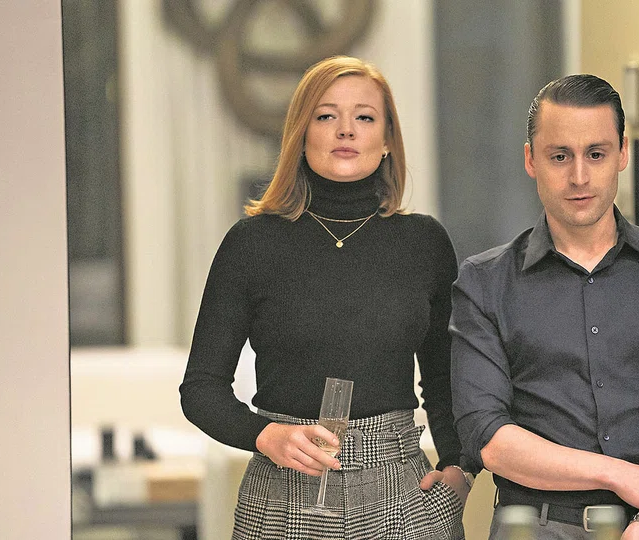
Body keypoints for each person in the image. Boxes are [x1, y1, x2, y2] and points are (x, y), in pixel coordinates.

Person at [180, 55, 473, 540]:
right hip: (283, 490)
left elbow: (445, 382)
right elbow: (200, 389)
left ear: (387, 140)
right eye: (326, 115)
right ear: (301, 134)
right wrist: (265, 435)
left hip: (402, 491)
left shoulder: (424, 243)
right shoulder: (252, 243)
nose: (346, 130)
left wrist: (459, 468)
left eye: (365, 117)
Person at [450, 74, 639, 540]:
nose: (579, 177)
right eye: (560, 156)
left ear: (622, 154)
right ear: (531, 160)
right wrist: (621, 475)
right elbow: (488, 437)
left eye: (595, 154)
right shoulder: (485, 282)